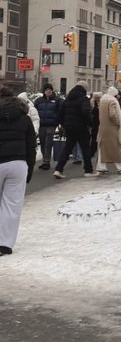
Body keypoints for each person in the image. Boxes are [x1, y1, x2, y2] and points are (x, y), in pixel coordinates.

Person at [0, 87, 36, 255]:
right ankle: (5, 244)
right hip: (18, 163)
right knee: (11, 205)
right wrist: (29, 169)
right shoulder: (25, 118)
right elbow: (31, 147)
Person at [53, 84, 98, 179]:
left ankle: (58, 169)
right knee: (85, 148)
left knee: (67, 148)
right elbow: (86, 112)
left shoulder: (67, 100)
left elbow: (60, 115)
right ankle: (88, 170)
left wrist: (64, 125)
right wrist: (90, 124)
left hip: (69, 128)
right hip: (81, 128)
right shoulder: (84, 99)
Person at [97, 86, 121, 174]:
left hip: (103, 128)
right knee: (116, 147)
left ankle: (101, 167)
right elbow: (112, 114)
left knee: (103, 148)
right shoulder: (112, 101)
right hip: (112, 128)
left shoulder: (102, 100)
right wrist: (118, 123)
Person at [35, 84, 62, 169]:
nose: (48, 91)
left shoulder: (57, 100)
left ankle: (46, 161)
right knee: (43, 143)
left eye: (50, 89)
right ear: (44, 91)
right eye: (47, 89)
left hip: (51, 125)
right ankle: (44, 160)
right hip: (41, 125)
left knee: (48, 142)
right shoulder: (38, 101)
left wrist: (59, 122)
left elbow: (60, 111)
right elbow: (34, 112)